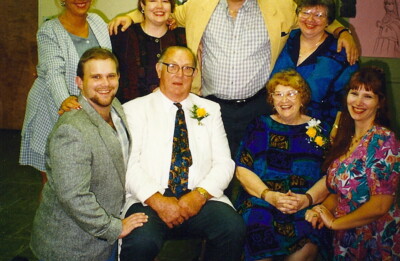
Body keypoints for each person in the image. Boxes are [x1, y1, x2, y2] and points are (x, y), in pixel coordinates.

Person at [108, 0, 359, 155]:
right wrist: (129, 16)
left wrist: (342, 30)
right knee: (213, 169)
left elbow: (312, 17)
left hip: (258, 106)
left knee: (256, 167)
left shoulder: (279, 6)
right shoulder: (198, 5)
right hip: (212, 107)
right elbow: (162, 11)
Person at [120, 46, 246, 261]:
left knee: (233, 229)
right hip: (149, 198)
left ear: (194, 75)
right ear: (159, 69)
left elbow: (224, 163)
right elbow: (129, 165)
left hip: (197, 196)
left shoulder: (209, 110)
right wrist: (158, 201)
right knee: (140, 242)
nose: (180, 74)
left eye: (188, 69)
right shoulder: (134, 110)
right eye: (173, 67)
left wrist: (198, 196)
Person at [30, 47, 148, 261]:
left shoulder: (116, 108)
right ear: (79, 82)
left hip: (101, 242)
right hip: (68, 246)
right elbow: (74, 196)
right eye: (95, 77)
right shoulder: (71, 129)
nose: (105, 83)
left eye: (110, 76)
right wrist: (115, 228)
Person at [235, 69, 332, 261]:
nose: (284, 100)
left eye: (291, 93)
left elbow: (330, 175)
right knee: (259, 230)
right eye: (278, 94)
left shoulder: (317, 129)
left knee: (310, 236)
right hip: (261, 198)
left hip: (305, 201)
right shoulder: (259, 126)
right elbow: (242, 169)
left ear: (302, 97)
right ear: (271, 99)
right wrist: (270, 196)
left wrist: (306, 199)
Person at [305, 66, 400, 261]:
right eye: (354, 93)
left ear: (380, 102)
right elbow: (338, 191)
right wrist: (321, 210)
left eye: (368, 96)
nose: (358, 102)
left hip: (375, 237)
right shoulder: (342, 134)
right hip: (345, 239)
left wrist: (336, 223)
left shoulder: (385, 141)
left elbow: (381, 204)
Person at [19, 0, 111, 187]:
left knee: (84, 177)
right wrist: (65, 99)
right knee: (53, 183)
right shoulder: (49, 30)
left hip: (88, 110)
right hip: (51, 109)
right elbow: (54, 72)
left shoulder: (98, 22)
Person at [271, 0, 359, 127]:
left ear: (329, 21)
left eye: (318, 15)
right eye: (305, 12)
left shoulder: (341, 54)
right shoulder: (286, 39)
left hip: (318, 130)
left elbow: (346, 101)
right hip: (277, 125)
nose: (310, 19)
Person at [111, 0, 186, 103]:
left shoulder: (182, 38)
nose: (159, 6)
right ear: (142, 4)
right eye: (153, 0)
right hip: (131, 112)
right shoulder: (123, 35)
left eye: (165, 1)